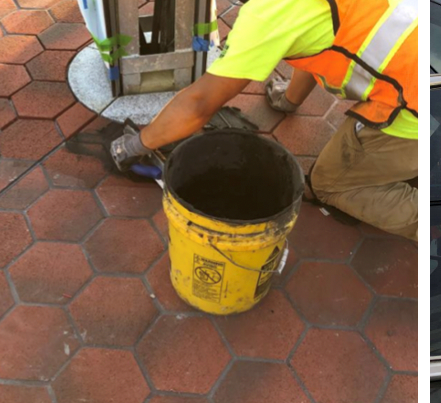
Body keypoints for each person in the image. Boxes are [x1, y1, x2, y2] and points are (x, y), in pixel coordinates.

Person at [111, 0, 418, 240]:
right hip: (429, 61)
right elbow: (323, 39)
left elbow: (200, 104)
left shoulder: (268, 15)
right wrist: (290, 99)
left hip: (415, 107)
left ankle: (437, 213)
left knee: (329, 185)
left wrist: (136, 144)